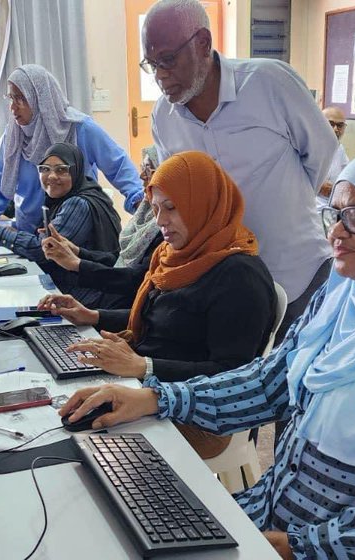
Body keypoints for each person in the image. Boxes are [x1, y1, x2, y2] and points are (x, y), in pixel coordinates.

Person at [60, 146, 355, 559]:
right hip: (278, 517)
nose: (335, 233)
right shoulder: (349, 294)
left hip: (340, 548)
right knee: (107, 524)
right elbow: (271, 380)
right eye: (334, 214)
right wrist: (156, 397)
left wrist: (286, 547)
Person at [39, 151, 276, 458]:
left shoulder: (239, 276)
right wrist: (92, 316)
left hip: (198, 415)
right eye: (155, 209)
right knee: (60, 406)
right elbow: (156, 320)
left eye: (172, 208)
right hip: (146, 384)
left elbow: (231, 373)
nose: (161, 221)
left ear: (202, 205)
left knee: (79, 445)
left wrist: (144, 366)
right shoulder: (174, 254)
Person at [143, 0, 335, 339]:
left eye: (168, 60)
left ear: (203, 42)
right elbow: (182, 199)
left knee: (297, 382)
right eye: (151, 64)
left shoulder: (269, 83)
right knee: (238, 384)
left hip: (296, 271)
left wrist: (285, 205)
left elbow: (322, 155)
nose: (160, 75)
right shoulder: (163, 118)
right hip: (225, 288)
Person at [0, 64, 143, 239]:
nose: (13, 107)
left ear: (40, 99)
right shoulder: (13, 135)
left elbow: (118, 166)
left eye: (21, 98)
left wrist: (141, 203)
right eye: (11, 98)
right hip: (28, 237)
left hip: (74, 236)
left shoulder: (79, 128)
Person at [0, 142, 121, 308]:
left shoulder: (77, 204)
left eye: (61, 169)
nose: (51, 176)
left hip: (82, 294)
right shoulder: (64, 198)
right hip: (68, 286)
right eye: (45, 169)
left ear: (75, 171)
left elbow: (41, 251)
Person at [41, 146, 165, 309]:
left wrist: (77, 264)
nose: (141, 175)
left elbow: (136, 278)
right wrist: (76, 251)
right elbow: (119, 258)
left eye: (148, 169)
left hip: (126, 303)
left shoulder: (164, 226)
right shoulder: (145, 213)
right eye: (142, 168)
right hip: (115, 295)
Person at [316, 107, 350, 205]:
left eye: (340, 125)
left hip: (332, 208)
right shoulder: (307, 147)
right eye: (330, 124)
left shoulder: (339, 149)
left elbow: (346, 175)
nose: (335, 129)